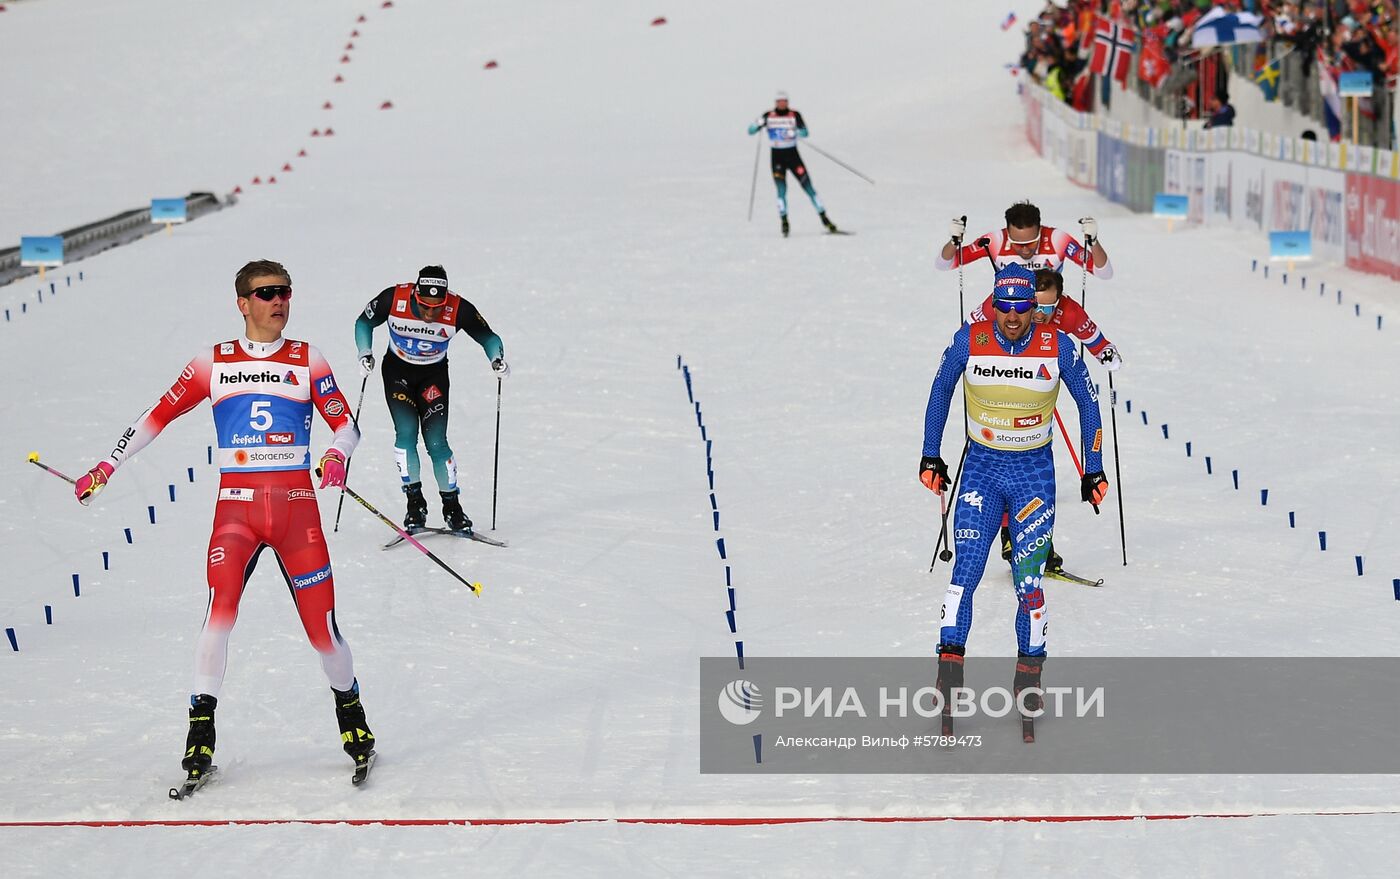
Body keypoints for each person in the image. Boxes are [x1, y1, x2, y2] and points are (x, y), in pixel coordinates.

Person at [73, 259, 376, 782]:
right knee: (219, 614)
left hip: (295, 510)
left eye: (284, 292)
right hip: (235, 509)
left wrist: (336, 455)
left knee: (322, 630)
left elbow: (345, 425)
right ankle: (200, 732)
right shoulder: (213, 363)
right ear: (242, 303)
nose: (278, 301)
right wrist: (107, 464)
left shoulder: (308, 359)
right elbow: (157, 416)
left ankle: (351, 714)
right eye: (265, 294)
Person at [918, 264, 1109, 734]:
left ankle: (1029, 680)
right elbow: (941, 388)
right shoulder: (970, 339)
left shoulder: (1058, 345)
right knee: (964, 575)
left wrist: (1094, 467)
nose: (1011, 317)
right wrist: (929, 455)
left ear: (1034, 309)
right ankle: (948, 678)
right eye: (1003, 307)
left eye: (1022, 308)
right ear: (994, 304)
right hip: (982, 471)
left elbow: (1089, 403)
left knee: (1030, 585)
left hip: (1032, 476)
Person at [354, 265, 507, 533]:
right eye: (425, 306)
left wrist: (496, 359)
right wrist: (364, 352)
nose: (430, 314)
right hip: (397, 373)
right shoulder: (394, 298)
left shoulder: (459, 309)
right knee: (406, 433)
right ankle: (415, 504)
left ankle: (452, 507)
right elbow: (364, 322)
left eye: (437, 308)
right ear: (415, 294)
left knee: (437, 442)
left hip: (433, 376)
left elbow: (488, 337)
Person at [936, 200, 1113, 280]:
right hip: (1008, 309)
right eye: (1018, 245)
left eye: (1031, 242)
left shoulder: (1057, 239)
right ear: (1008, 233)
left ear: (1040, 230)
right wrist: (953, 242)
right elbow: (944, 264)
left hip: (1048, 309)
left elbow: (1103, 273)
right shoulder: (994, 241)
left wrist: (1094, 242)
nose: (1025, 250)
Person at [747, 91, 840, 238]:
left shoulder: (794, 115)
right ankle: (784, 221)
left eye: (784, 101)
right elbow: (750, 131)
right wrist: (757, 124)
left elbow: (805, 133)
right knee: (781, 190)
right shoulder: (768, 115)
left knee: (808, 187)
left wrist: (795, 131)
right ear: (776, 103)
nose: (782, 104)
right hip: (777, 157)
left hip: (793, 156)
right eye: (780, 101)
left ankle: (825, 218)